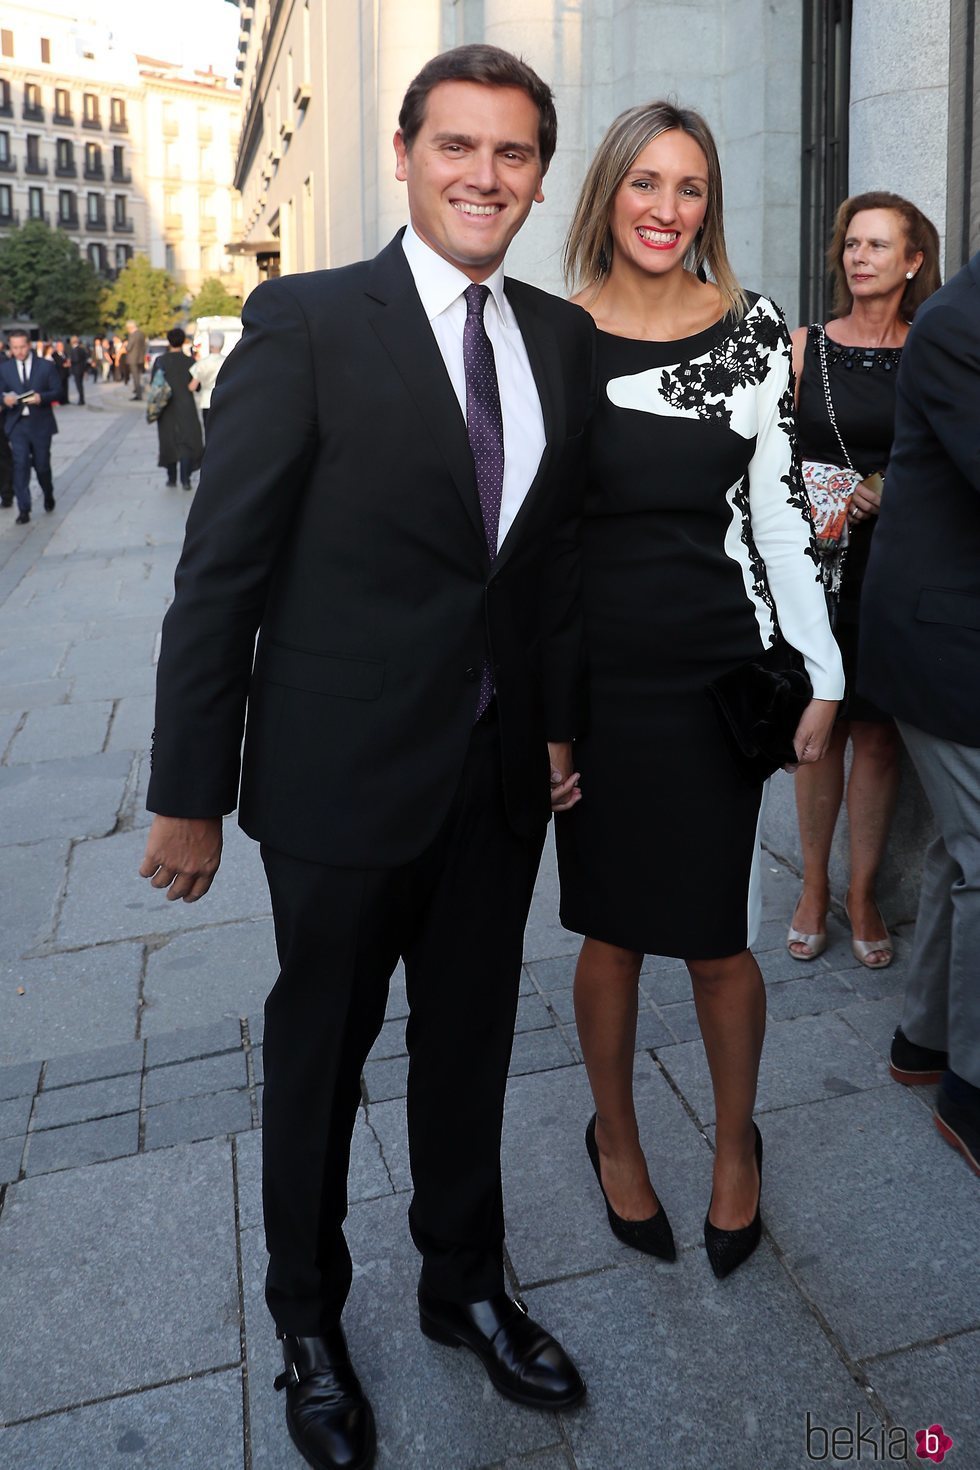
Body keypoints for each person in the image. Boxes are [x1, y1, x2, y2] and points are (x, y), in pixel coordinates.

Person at [138, 44, 594, 1470]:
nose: (484, 175)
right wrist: (188, 791)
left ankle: (465, 1282)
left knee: (467, 1045)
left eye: (513, 154)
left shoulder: (559, 337)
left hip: (496, 777)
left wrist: (558, 719)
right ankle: (309, 1321)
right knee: (319, 1055)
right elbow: (223, 571)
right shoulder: (309, 320)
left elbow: (547, 567)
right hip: (339, 778)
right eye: (458, 145)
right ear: (404, 153)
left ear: (537, 176)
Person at [555, 101, 843, 1279]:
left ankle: (734, 1149)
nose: (664, 209)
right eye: (643, 183)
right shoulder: (549, 336)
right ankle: (614, 1139)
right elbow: (531, 546)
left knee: (716, 938)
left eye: (687, 187)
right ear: (607, 196)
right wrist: (541, 719)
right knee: (611, 932)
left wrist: (824, 672)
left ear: (706, 204)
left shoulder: (754, 332)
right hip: (595, 685)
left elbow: (779, 520)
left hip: (716, 675)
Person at [787, 192, 941, 967]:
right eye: (852, 243)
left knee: (877, 736)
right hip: (817, 563)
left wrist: (895, 491)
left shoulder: (931, 352)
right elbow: (764, 456)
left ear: (913, 262)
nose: (859, 256)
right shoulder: (802, 347)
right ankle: (813, 887)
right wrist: (818, 491)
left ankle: (861, 891)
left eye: (879, 245)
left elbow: (949, 460)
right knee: (820, 735)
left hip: (894, 568)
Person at [858, 248, 980, 1177]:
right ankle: (971, 1089)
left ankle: (924, 1038)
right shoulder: (957, 325)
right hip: (945, 638)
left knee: (957, 845)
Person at [0, 329, 60, 523]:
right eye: (14, 347)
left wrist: (42, 397)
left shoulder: (46, 366)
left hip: (41, 424)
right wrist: (4, 399)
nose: (18, 351)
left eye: (22, 347)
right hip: (17, 425)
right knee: (20, 465)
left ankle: (48, 492)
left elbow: (58, 391)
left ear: (30, 345)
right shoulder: (4, 368)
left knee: (42, 465)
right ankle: (24, 509)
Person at [152, 328, 203, 489]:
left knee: (168, 439)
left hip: (166, 406)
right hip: (186, 405)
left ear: (168, 341)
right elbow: (197, 386)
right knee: (187, 440)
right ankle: (186, 479)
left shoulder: (160, 360)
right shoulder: (190, 361)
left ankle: (171, 478)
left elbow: (154, 383)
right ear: (183, 341)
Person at [188, 331, 226, 440]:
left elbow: (192, 386)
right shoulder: (227, 361)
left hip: (206, 401)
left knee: (209, 433)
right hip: (222, 401)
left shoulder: (202, 363)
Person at [126, 320, 147, 400]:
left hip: (133, 358)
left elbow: (129, 347)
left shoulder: (133, 335)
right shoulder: (141, 334)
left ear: (130, 327)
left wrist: (125, 346)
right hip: (140, 358)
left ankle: (138, 395)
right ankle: (138, 392)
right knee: (138, 376)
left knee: (135, 377)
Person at [69, 335, 89, 405]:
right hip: (81, 369)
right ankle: (81, 399)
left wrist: (70, 361)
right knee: (80, 385)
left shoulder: (75, 349)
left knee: (79, 385)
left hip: (77, 369)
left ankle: (81, 400)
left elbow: (76, 359)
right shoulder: (81, 349)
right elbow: (85, 359)